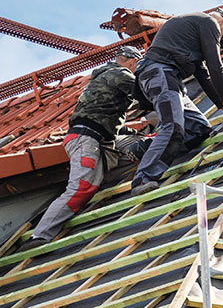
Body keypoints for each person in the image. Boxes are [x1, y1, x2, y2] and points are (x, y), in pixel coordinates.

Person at [29, 46, 144, 244]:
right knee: (82, 186)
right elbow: (144, 90)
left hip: (93, 138)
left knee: (132, 150)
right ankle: (40, 234)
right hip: (87, 139)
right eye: (137, 64)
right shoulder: (120, 73)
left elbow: (106, 120)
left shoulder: (103, 78)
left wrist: (133, 131)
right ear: (132, 61)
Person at [130, 8, 223, 196]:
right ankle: (143, 178)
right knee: (173, 126)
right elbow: (216, 66)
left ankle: (148, 148)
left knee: (200, 129)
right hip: (160, 73)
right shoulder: (209, 22)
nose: (217, 40)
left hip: (168, 78)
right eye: (221, 37)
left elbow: (204, 76)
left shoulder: (190, 36)